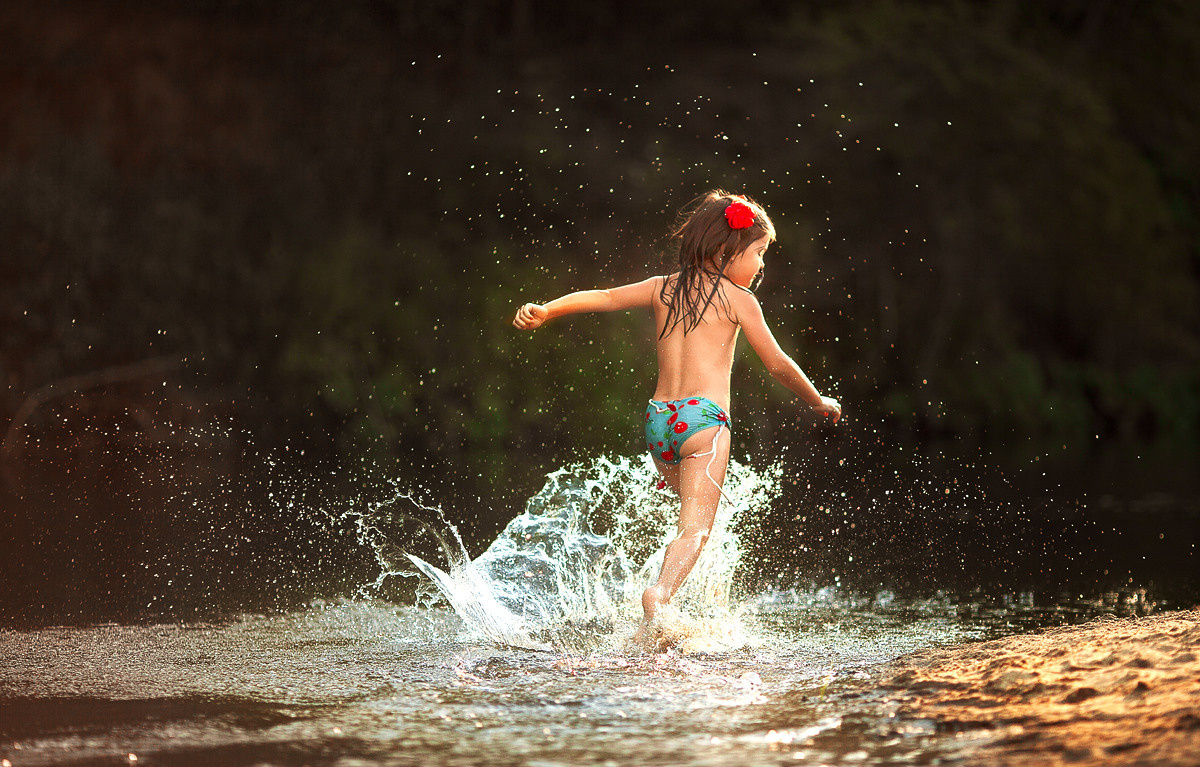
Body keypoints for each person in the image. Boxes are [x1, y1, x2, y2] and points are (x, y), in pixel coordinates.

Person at [512, 190, 841, 648]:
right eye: (758, 252)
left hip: (659, 421)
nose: (761, 264)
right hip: (703, 421)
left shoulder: (662, 286)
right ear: (726, 250)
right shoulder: (739, 299)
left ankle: (687, 607)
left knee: (694, 516)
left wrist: (548, 309)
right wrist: (816, 400)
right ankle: (659, 596)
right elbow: (777, 364)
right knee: (697, 527)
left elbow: (605, 297)